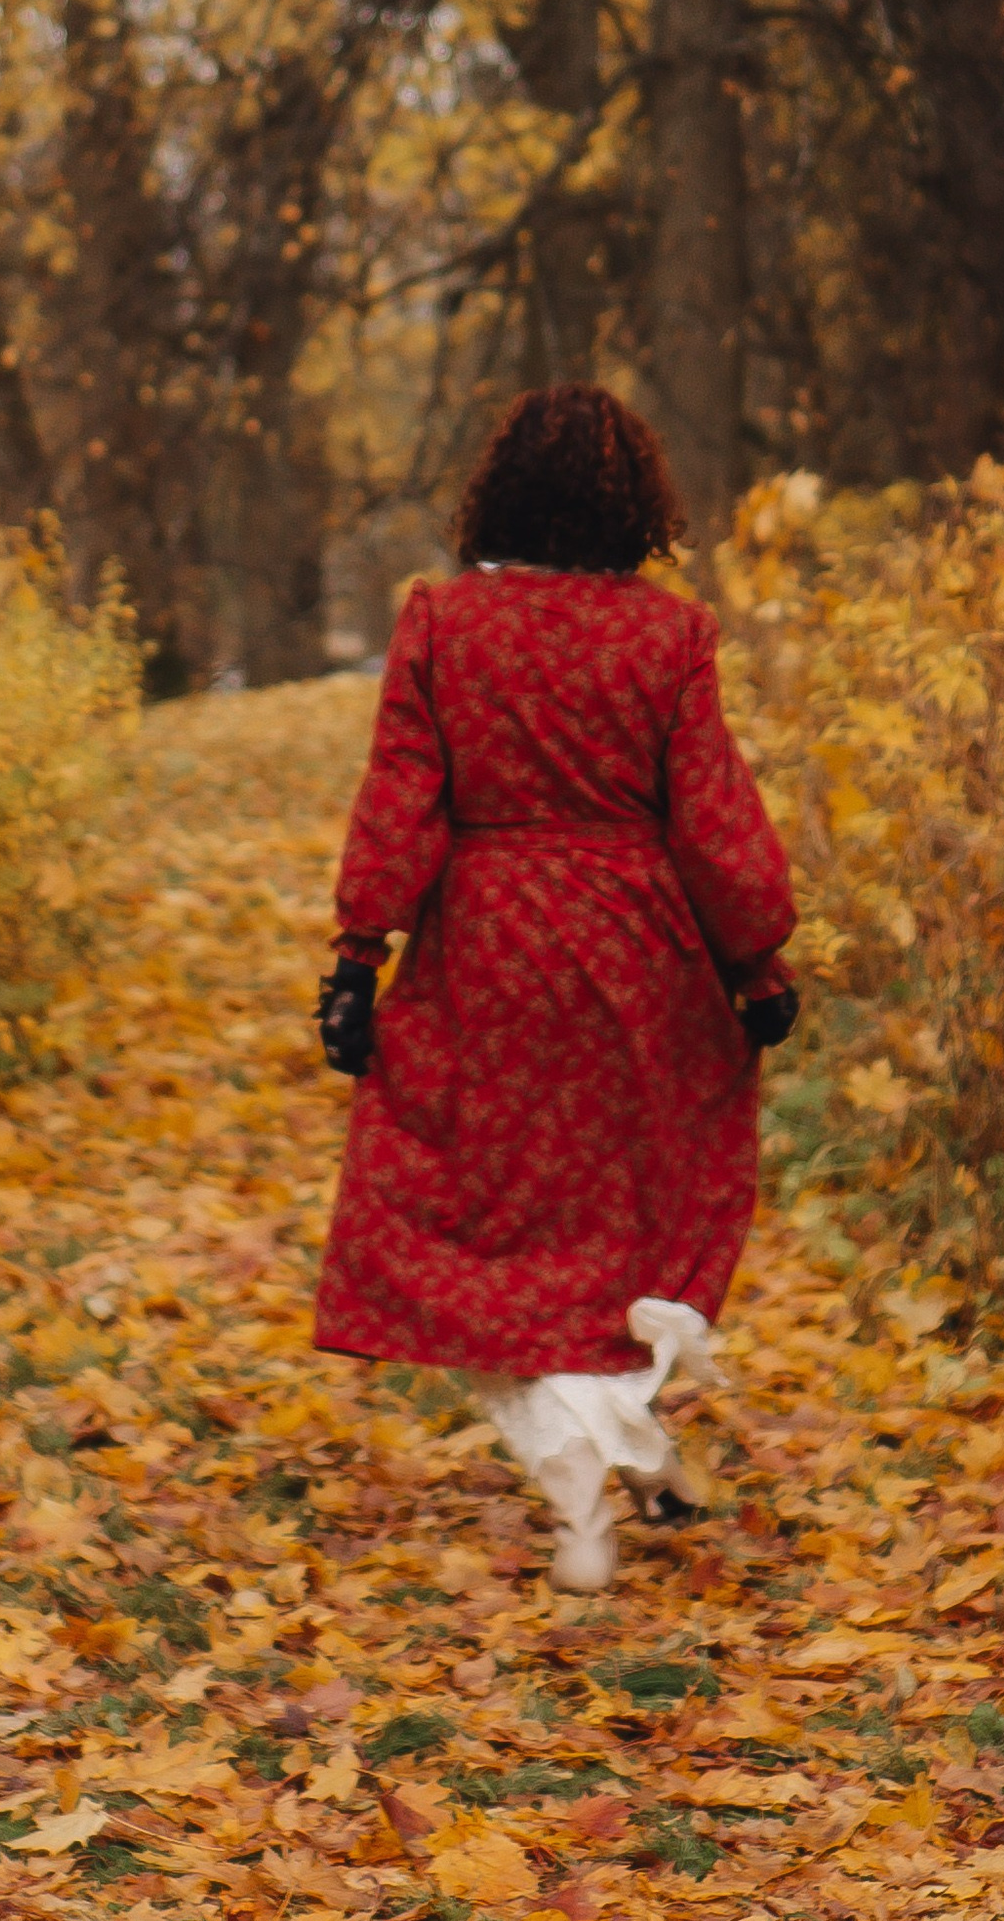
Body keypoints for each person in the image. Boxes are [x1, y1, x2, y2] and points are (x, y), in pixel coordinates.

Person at [310, 383, 799, 1594]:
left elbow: (399, 800)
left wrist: (358, 953)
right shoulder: (669, 638)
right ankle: (624, 1454)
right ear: (635, 503)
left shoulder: (441, 624)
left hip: (485, 954)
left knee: (483, 1229)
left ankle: (592, 1486)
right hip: (642, 958)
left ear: (502, 491)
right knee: (633, 1224)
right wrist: (757, 960)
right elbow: (715, 822)